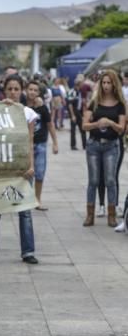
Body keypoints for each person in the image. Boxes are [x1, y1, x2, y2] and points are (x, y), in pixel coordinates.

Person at [0, 75, 38, 265]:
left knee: (25, 211)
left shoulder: (28, 113)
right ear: (4, 91)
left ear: (21, 91)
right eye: (10, 89)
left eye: (16, 89)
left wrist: (30, 165)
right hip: (1, 165)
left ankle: (28, 251)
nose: (13, 92)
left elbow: (29, 141)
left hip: (21, 166)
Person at [82, 70, 126, 228]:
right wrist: (96, 124)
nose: (106, 86)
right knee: (93, 180)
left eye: (109, 82)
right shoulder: (94, 102)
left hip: (111, 145)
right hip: (93, 144)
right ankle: (90, 215)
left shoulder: (120, 104)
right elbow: (84, 125)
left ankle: (112, 215)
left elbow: (122, 128)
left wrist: (110, 123)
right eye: (104, 82)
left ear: (114, 84)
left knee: (110, 180)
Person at [25, 80, 58, 210]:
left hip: (40, 144)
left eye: (35, 90)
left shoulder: (42, 108)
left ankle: (37, 200)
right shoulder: (22, 106)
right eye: (30, 89)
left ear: (39, 93)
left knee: (39, 173)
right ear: (26, 90)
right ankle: (26, 199)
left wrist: (55, 143)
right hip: (26, 145)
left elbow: (50, 125)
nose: (32, 92)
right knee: (26, 174)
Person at [67, 75, 86, 151]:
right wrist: (72, 115)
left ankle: (85, 145)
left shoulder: (79, 91)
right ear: (78, 84)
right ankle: (73, 145)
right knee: (73, 129)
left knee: (82, 129)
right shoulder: (71, 92)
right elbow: (70, 104)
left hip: (79, 112)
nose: (83, 85)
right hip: (74, 111)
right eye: (82, 84)